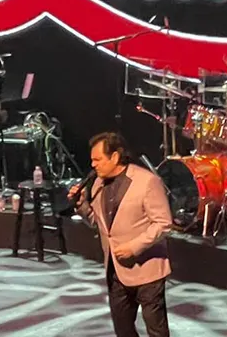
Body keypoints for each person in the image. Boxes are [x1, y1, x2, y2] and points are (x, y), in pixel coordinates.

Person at [69, 132, 172, 337]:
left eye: (97, 159)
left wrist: (134, 247)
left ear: (115, 157)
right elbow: (99, 224)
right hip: (115, 269)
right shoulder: (98, 184)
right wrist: (81, 204)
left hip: (146, 270)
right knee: (123, 329)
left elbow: (163, 223)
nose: (93, 165)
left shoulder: (147, 182)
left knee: (156, 330)